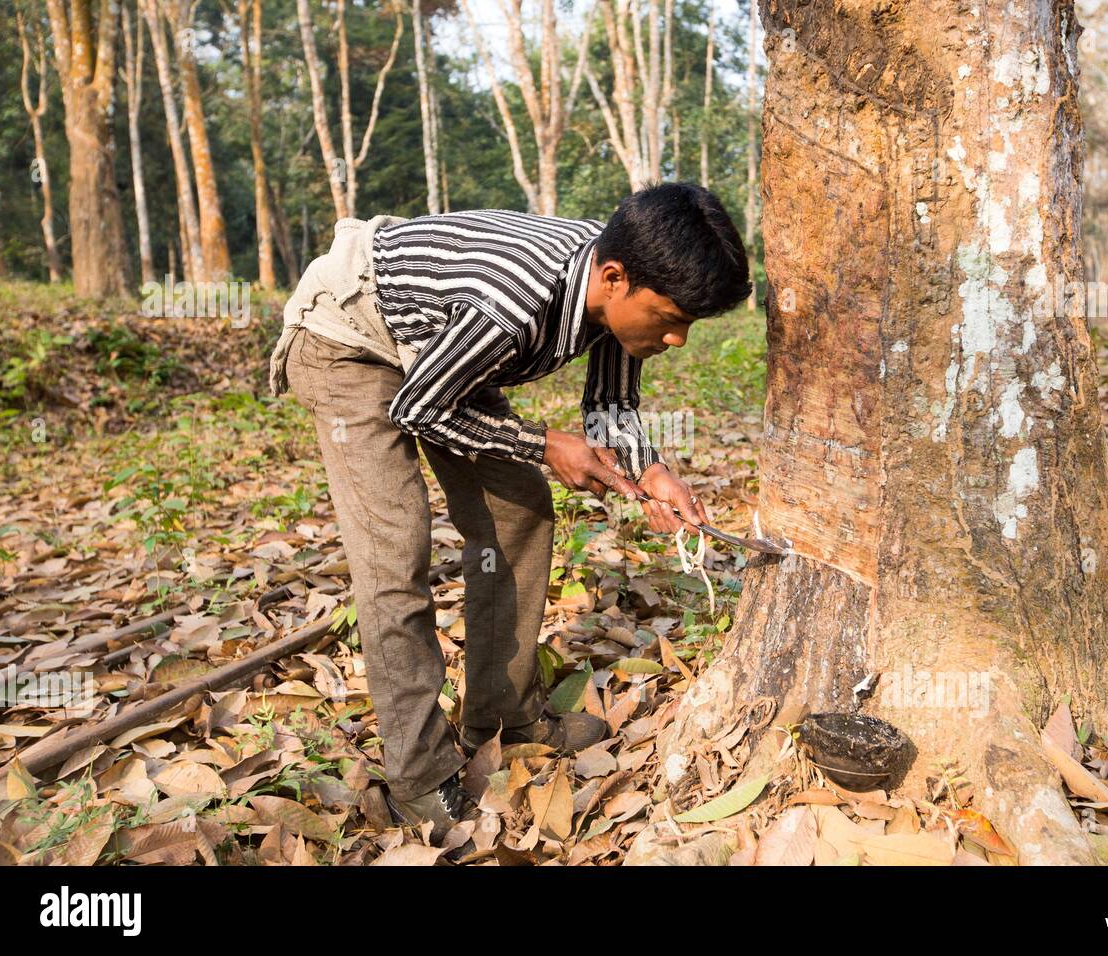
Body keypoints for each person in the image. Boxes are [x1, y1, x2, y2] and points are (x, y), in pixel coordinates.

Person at [267, 182, 752, 840]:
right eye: (671, 317)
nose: (678, 338)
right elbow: (419, 408)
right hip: (351, 345)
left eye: (689, 324)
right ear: (614, 278)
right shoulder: (514, 299)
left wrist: (653, 470)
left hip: (442, 356)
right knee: (394, 553)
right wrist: (544, 445)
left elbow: (610, 409)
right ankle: (419, 776)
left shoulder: (615, 275)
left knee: (520, 510)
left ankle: (504, 718)